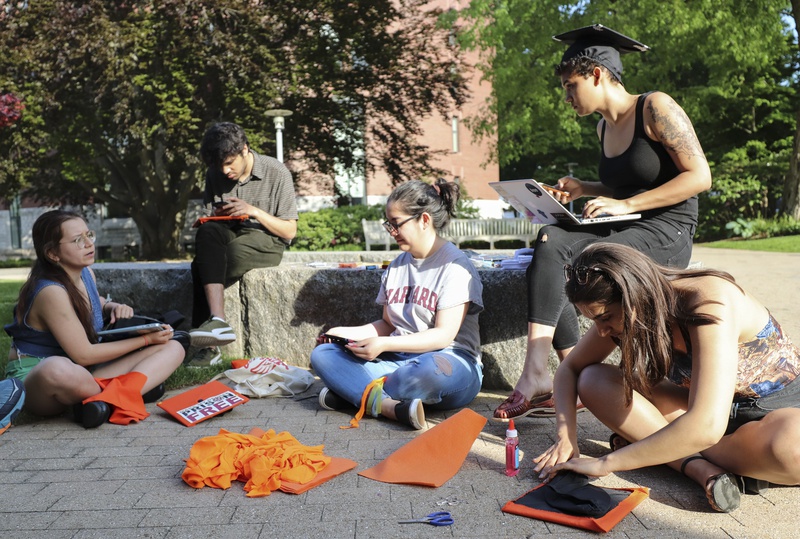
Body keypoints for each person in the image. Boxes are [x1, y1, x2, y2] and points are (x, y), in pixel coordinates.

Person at [493, 24, 712, 420]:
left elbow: (699, 177)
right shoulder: (602, 127)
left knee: (578, 256)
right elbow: (627, 181)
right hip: (628, 226)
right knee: (550, 239)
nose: (566, 97)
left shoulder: (655, 106)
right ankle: (554, 370)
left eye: (570, 86)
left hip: (668, 231)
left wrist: (626, 203)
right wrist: (584, 188)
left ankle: (555, 374)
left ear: (596, 74)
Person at [532, 242, 800, 513]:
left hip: (777, 413)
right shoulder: (626, 311)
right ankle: (699, 465)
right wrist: (566, 436)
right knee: (593, 381)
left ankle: (675, 448)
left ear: (633, 296)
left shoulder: (709, 300)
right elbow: (570, 368)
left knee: (791, 448)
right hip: (700, 413)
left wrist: (607, 463)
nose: (602, 331)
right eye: (594, 321)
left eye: (605, 317)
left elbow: (707, 427)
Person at [310, 179, 484, 430]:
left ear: (424, 220)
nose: (391, 232)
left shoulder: (455, 266)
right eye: (388, 224)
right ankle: (388, 406)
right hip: (396, 361)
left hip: (448, 362)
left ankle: (353, 394)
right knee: (323, 355)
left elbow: (443, 336)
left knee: (424, 374)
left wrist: (384, 344)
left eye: (396, 224)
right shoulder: (397, 266)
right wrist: (342, 333)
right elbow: (387, 324)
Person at [4, 210, 185, 428]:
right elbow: (83, 354)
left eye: (89, 235)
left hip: (87, 371)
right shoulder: (50, 291)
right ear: (52, 253)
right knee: (56, 367)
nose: (89, 243)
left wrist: (111, 306)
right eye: (77, 240)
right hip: (44, 379)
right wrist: (146, 340)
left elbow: (91, 300)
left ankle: (104, 401)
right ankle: (130, 389)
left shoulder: (86, 273)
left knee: (174, 347)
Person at [187, 122, 299, 366]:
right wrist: (214, 216)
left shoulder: (276, 171)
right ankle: (218, 321)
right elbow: (209, 219)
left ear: (245, 149)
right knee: (207, 232)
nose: (225, 170)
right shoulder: (214, 173)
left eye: (229, 163)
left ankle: (206, 346)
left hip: (267, 238)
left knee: (204, 265)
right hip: (229, 231)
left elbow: (290, 230)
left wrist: (253, 211)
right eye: (220, 166)